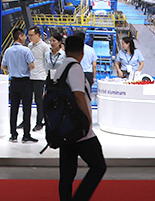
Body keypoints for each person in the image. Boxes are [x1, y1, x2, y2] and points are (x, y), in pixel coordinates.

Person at [57, 34, 106, 201]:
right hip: (79, 128)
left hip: (64, 127)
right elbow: (78, 94)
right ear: (82, 52)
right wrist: (87, 119)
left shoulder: (60, 68)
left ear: (65, 50)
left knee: (67, 173)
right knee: (99, 166)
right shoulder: (75, 68)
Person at [2, 28, 37, 143]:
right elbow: (32, 65)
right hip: (25, 82)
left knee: (14, 109)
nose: (26, 38)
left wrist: (13, 70)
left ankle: (13, 135)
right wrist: (24, 70)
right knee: (26, 109)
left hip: (14, 82)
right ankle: (26, 135)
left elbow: (3, 66)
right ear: (20, 36)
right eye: (25, 36)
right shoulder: (26, 50)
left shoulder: (8, 51)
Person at [28, 26, 50, 131]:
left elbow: (47, 62)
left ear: (37, 35)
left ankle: (39, 122)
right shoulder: (29, 46)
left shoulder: (44, 47)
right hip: (29, 76)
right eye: (28, 35)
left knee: (38, 101)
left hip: (40, 77)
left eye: (31, 35)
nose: (29, 37)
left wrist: (46, 75)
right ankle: (25, 121)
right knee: (27, 100)